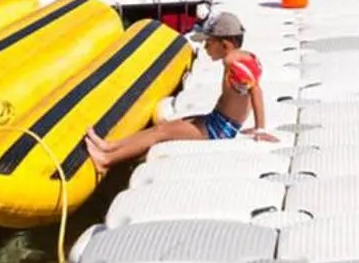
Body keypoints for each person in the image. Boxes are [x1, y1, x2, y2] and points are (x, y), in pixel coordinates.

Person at [84, 11, 271, 172]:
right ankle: (109, 146)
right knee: (161, 128)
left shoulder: (232, 61)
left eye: (209, 42)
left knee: (159, 133)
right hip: (218, 121)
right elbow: (248, 90)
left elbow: (255, 90)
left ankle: (106, 160)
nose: (205, 47)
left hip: (219, 130)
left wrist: (260, 129)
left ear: (225, 44)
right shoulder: (248, 57)